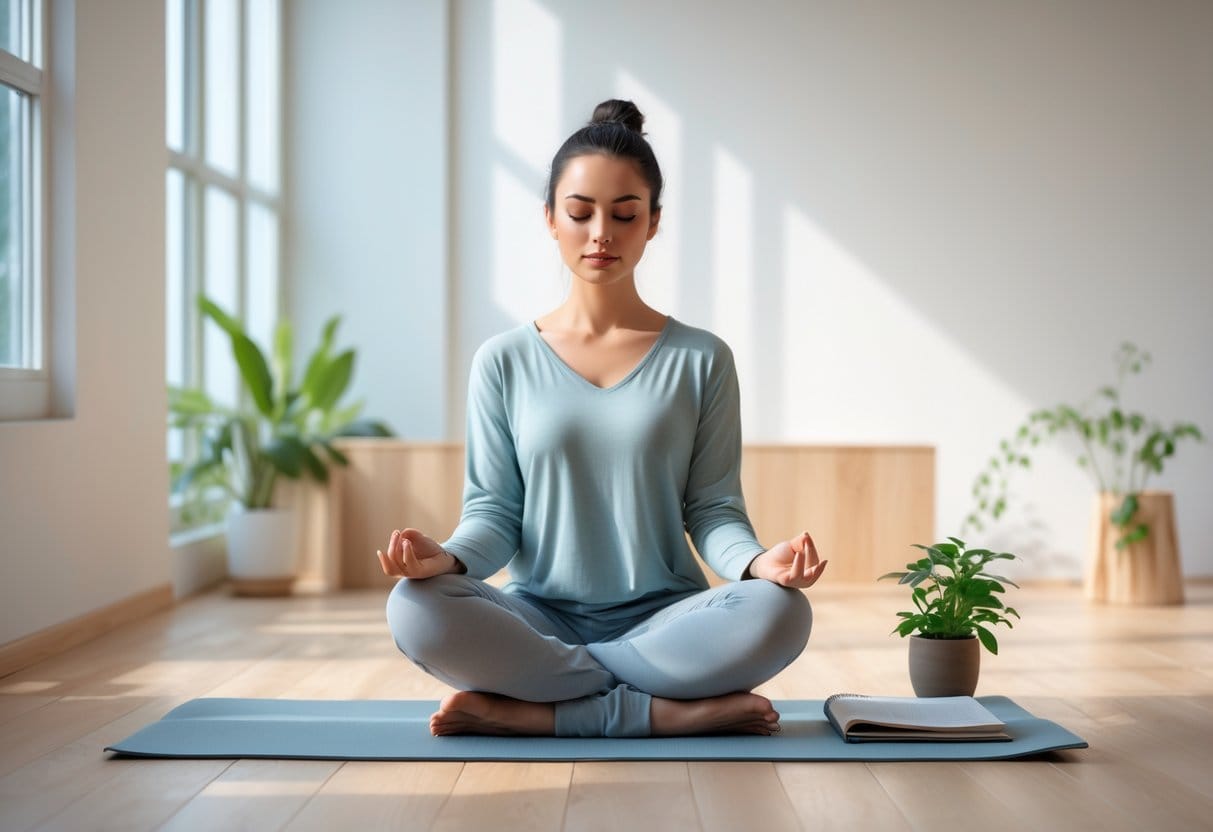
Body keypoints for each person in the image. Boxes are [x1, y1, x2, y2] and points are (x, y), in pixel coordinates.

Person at [379, 99, 827, 738]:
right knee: (415, 607)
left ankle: (540, 711)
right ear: (549, 218)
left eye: (624, 215)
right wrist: (445, 562)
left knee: (781, 613)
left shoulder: (702, 359)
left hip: (669, 620)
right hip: (536, 619)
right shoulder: (502, 360)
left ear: (654, 224)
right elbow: (494, 515)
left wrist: (760, 566)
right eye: (580, 212)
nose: (601, 234)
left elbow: (713, 511)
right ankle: (654, 712)